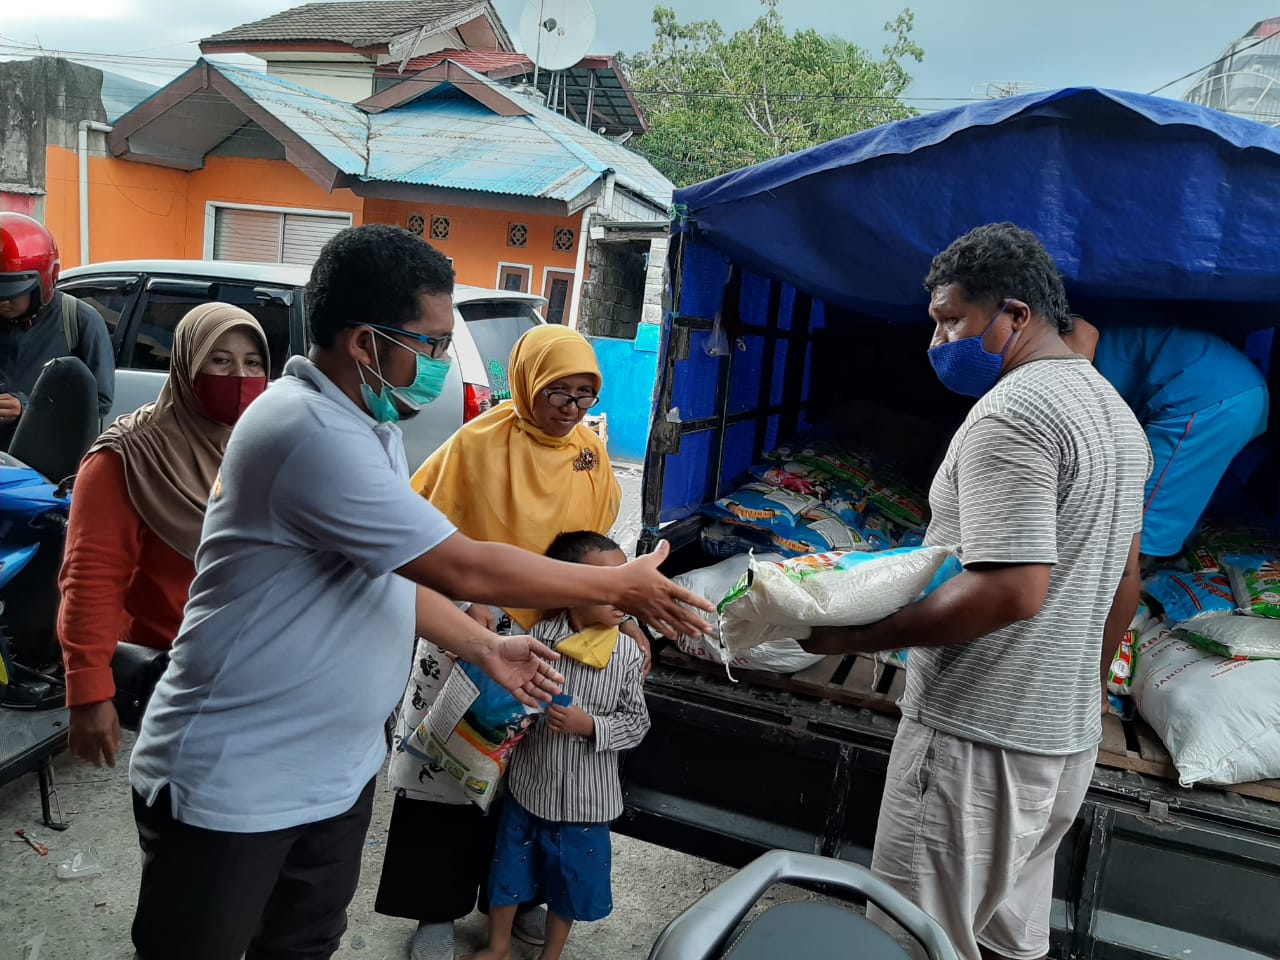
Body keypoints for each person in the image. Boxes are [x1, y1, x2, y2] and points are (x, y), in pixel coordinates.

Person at [124, 224, 711, 960]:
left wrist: (484, 643)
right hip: (239, 777)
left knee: (302, 946)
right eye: (430, 345)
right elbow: (462, 567)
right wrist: (615, 583)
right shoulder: (305, 432)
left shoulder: (365, 424)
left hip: (331, 770)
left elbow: (387, 573)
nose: (439, 362)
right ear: (366, 344)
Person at [799, 223, 1151, 960]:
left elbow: (1012, 592)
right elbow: (1126, 582)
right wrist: (1078, 690)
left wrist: (852, 637)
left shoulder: (1013, 413)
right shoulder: (1118, 418)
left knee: (914, 938)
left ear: (1015, 315)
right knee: (1001, 941)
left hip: (975, 739)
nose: (938, 342)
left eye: (951, 320)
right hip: (1062, 741)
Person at [376, 323, 644, 959]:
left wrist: (620, 613)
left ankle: (521, 901)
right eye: (560, 394)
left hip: (555, 636)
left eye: (585, 395)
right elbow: (419, 534)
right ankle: (434, 914)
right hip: (470, 628)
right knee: (448, 771)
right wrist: (477, 615)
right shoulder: (478, 444)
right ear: (528, 384)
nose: (573, 410)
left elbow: (595, 550)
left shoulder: (588, 452)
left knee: (531, 779)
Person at [57, 303, 269, 769]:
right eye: (220, 360)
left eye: (252, 363)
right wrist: (89, 691)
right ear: (187, 364)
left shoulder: (265, 447)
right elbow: (91, 579)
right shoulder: (128, 456)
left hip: (265, 680)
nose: (239, 376)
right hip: (178, 679)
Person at [474, 531, 649, 960]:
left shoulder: (628, 654)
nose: (620, 595)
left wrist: (591, 726)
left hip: (584, 804)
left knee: (569, 885)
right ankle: (498, 947)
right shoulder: (539, 640)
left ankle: (550, 955)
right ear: (567, 590)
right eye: (605, 585)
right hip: (529, 789)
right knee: (508, 871)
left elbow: (637, 723)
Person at [1062, 317, 1269, 558]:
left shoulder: (1052, 344)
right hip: (1234, 386)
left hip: (1204, 396)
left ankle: (1129, 583)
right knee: (1163, 507)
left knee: (1131, 534)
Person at [0, 212, 114, 448]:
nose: (3, 302)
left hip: (46, 463)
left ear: (43, 282)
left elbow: (99, 402)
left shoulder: (80, 321)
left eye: (12, 293)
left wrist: (28, 408)